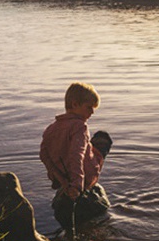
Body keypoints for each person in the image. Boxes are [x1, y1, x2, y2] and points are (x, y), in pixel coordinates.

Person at [39, 82, 113, 231]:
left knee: (82, 146)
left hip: (62, 176)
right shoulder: (80, 126)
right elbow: (76, 156)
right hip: (83, 177)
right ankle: (89, 182)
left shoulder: (51, 128)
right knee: (102, 140)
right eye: (89, 107)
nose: (92, 112)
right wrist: (77, 186)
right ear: (75, 104)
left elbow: (44, 155)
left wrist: (60, 180)